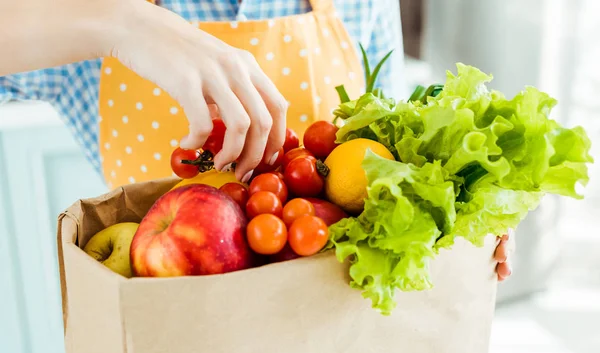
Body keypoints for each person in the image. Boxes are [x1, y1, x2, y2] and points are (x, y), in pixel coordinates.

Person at [0, 0, 512, 279]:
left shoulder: (361, 5)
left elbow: (396, 163)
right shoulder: (77, 14)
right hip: (174, 346)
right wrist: (121, 22)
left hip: (339, 346)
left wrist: (461, 213)